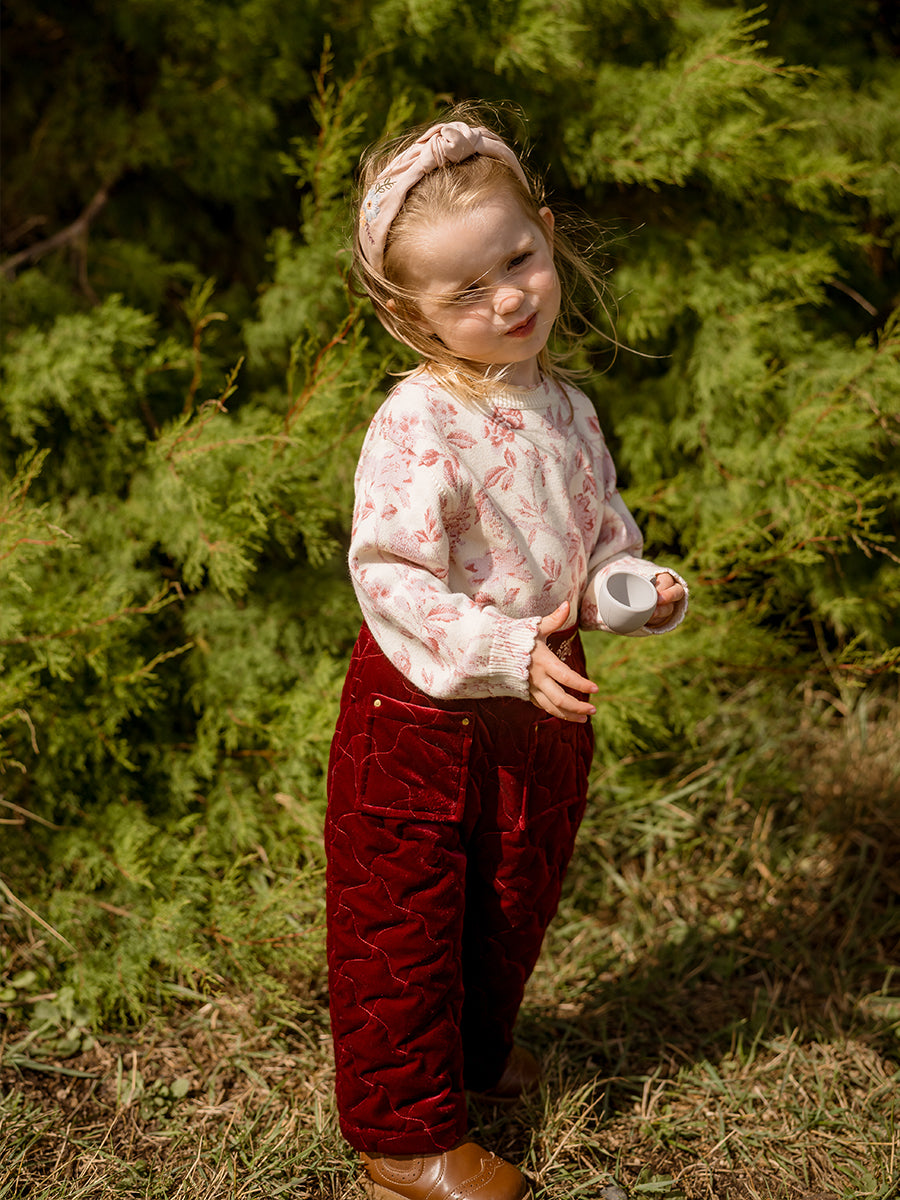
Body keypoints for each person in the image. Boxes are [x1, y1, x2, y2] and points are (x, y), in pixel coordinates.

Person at [325, 107, 688, 1200]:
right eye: (467, 292)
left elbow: (598, 539)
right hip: (423, 713)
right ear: (411, 314)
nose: (509, 298)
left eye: (518, 260)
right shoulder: (419, 422)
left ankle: (474, 1055)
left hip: (543, 703)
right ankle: (403, 1134)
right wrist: (498, 648)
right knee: (407, 914)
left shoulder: (567, 410)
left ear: (546, 232)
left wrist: (631, 590)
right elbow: (390, 573)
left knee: (513, 893)